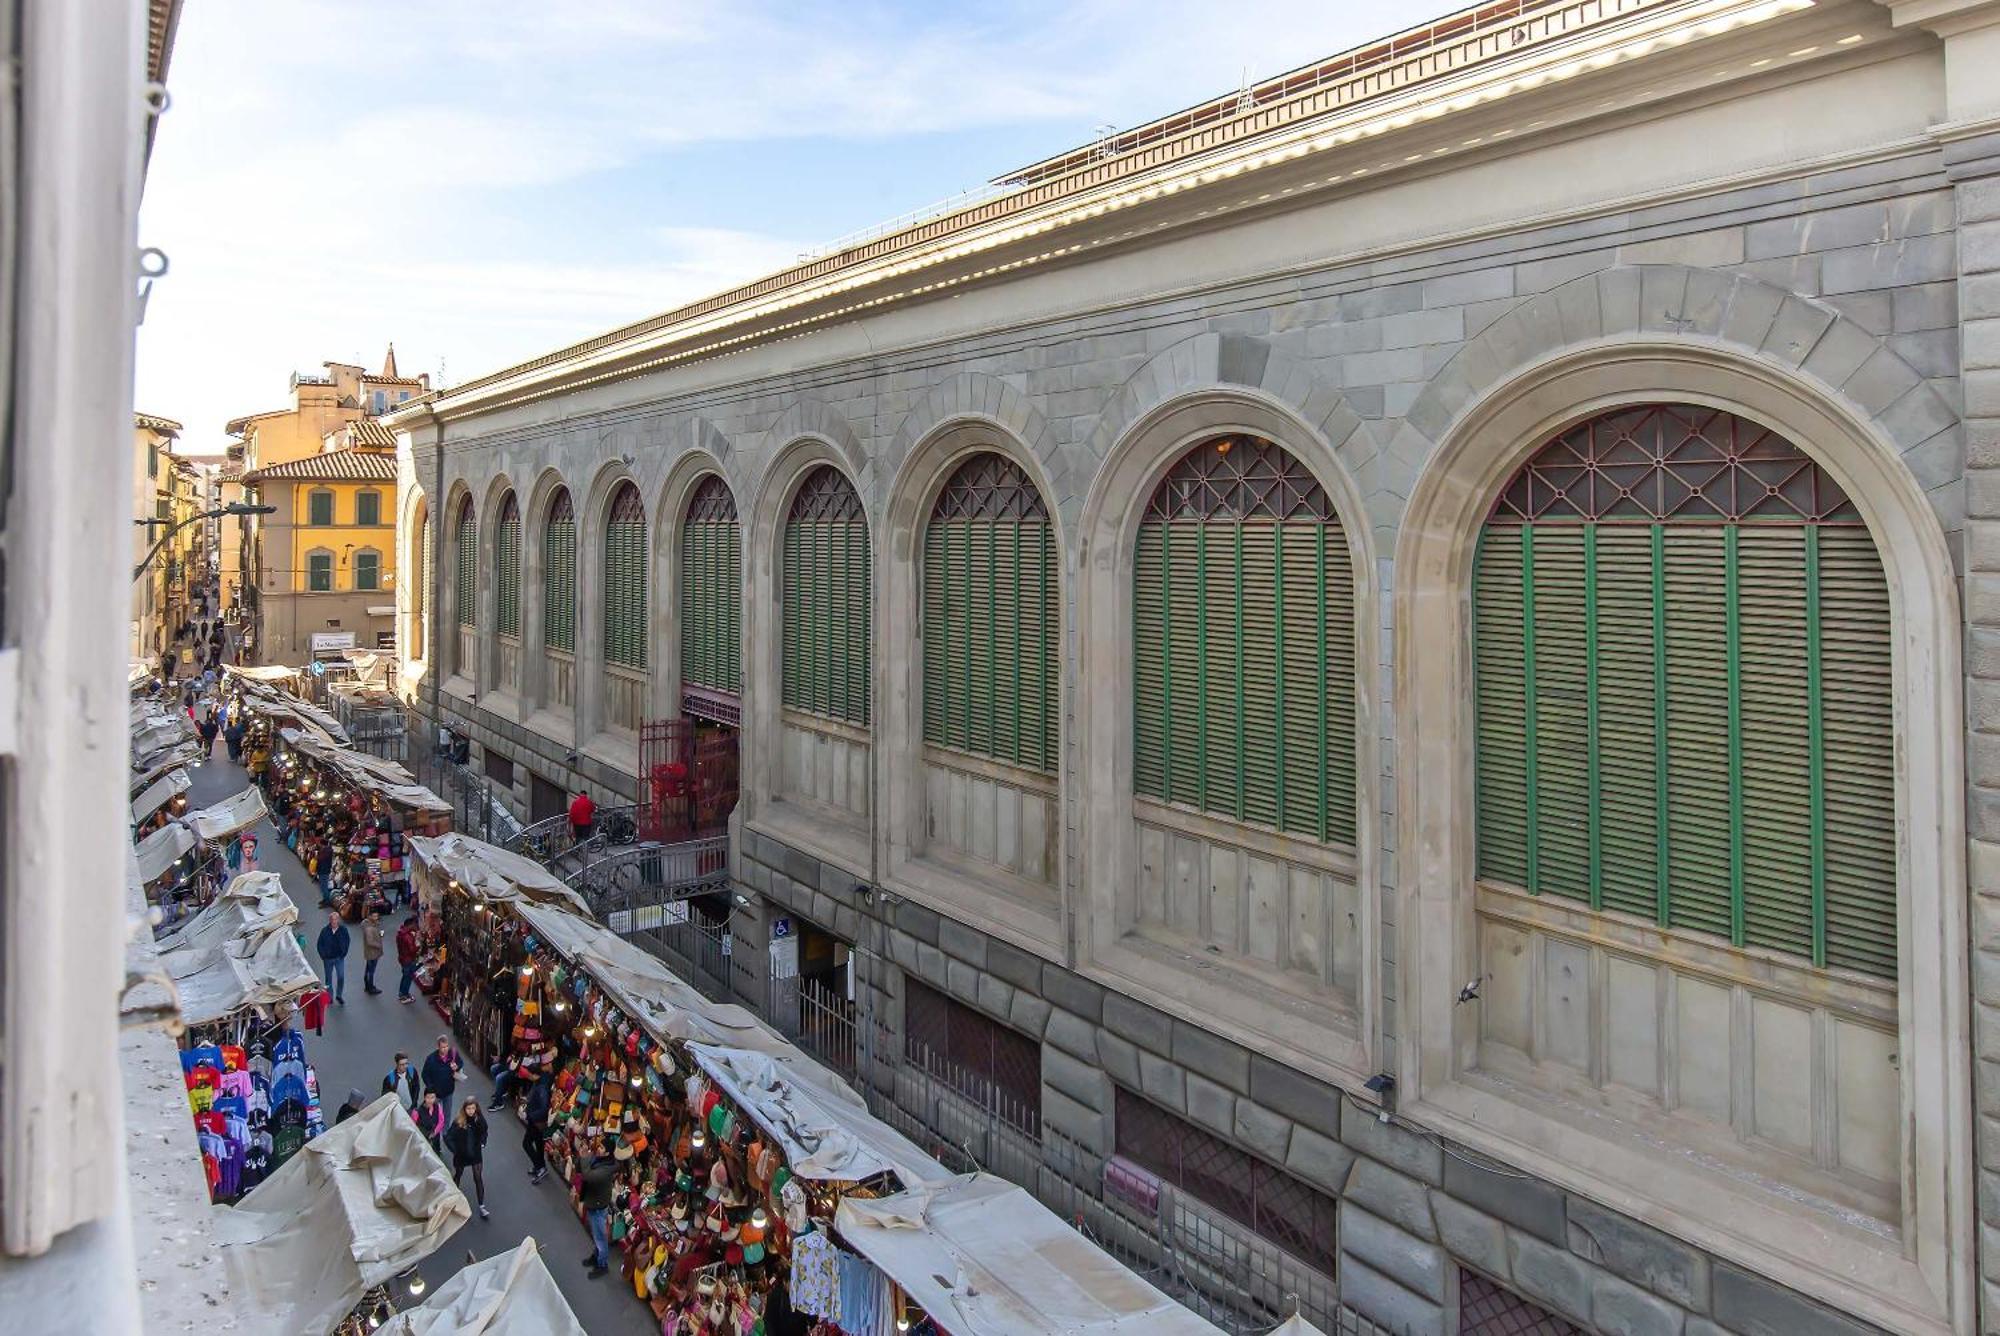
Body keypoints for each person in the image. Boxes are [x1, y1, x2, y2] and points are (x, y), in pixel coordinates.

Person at [444, 1097, 491, 1219]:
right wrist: (456, 1150)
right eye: (468, 1108)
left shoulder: (479, 1120)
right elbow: (448, 1137)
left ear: (476, 1108)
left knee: (478, 1178)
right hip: (462, 1154)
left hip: (475, 1153)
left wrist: (482, 1142)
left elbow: (484, 1132)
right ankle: (451, 1199)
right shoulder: (459, 1121)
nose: (471, 1111)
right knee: (458, 1175)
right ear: (464, 1109)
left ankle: (481, 1206)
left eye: (473, 1108)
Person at [579, 1138, 617, 1278]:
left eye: (601, 1147)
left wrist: (584, 1158)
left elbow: (589, 1177)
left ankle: (602, 1264)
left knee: (600, 1236)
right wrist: (584, 1155)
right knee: (597, 1234)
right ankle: (596, 1256)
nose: (598, 1148)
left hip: (598, 1206)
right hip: (594, 1202)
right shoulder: (600, 1160)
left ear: (607, 1152)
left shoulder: (606, 1168)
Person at [522, 1073, 553, 1184]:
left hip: (536, 1121)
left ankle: (540, 1167)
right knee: (539, 1144)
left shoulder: (541, 1089)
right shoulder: (539, 1084)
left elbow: (543, 1108)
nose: (529, 1075)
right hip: (536, 1121)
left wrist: (530, 1115)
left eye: (530, 1073)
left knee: (526, 1144)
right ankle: (541, 1166)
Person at [314, 910, 350, 1005]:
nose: (334, 921)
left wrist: (344, 953)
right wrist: (323, 956)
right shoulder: (324, 931)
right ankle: (329, 997)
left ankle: (339, 995)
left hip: (339, 958)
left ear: (338, 920)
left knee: (341, 976)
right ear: (330, 920)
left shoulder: (343, 930)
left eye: (336, 919)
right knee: (328, 979)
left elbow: (347, 941)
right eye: (332, 919)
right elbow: (319, 944)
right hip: (328, 959)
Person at [421, 1034, 462, 1103]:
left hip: (448, 1091)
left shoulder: (453, 1053)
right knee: (435, 1113)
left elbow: (460, 1062)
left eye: (447, 1046)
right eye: (443, 1047)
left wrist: (457, 1067)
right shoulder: (431, 1059)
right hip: (436, 1094)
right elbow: (424, 1074)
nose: (445, 1049)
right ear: (438, 1047)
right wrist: (431, 1088)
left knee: (447, 1113)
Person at [395, 914, 422, 1003]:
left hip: (403, 958)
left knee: (405, 977)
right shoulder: (407, 937)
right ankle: (404, 995)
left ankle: (402, 993)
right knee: (408, 977)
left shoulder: (401, 933)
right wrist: (418, 945)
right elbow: (412, 950)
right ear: (411, 924)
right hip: (409, 959)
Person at [412, 1088, 446, 1159]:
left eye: (432, 1097)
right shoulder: (417, 1112)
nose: (430, 1100)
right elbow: (414, 1128)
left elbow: (441, 1121)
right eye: (428, 1097)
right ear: (424, 1097)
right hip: (423, 1141)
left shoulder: (438, 1106)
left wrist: (435, 1132)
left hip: (435, 1139)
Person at [360, 909, 385, 995]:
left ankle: (367, 985)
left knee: (368, 969)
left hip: (369, 952)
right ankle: (370, 987)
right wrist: (379, 945)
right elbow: (370, 942)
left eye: (377, 916)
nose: (376, 918)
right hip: (372, 953)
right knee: (371, 971)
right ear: (369, 916)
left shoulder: (368, 925)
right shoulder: (369, 928)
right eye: (374, 916)